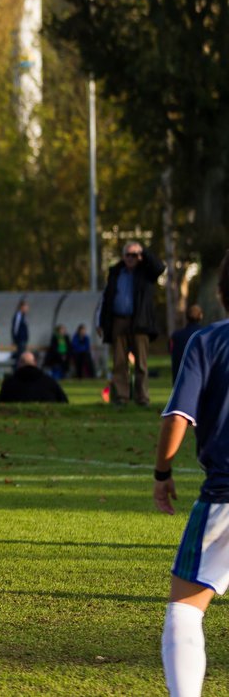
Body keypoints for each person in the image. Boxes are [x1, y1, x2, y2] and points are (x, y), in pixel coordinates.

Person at [153, 252, 229, 696]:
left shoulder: (207, 342)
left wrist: (162, 471)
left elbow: (177, 417)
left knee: (184, 612)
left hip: (224, 497)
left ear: (221, 292)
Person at [99, 241, 166, 406]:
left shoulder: (146, 273)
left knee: (141, 363)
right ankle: (121, 397)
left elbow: (159, 267)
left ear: (140, 256)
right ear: (123, 256)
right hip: (118, 320)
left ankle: (142, 397)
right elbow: (107, 298)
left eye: (134, 255)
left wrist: (144, 252)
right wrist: (102, 322)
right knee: (119, 362)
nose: (131, 258)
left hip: (139, 322)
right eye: (128, 254)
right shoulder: (116, 273)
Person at [0, 352, 68, 403]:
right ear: (35, 363)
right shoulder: (49, 382)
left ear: (19, 364)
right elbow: (64, 401)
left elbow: (0, 403)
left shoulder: (9, 384)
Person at [171, 304, 205, 380]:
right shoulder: (205, 335)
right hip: (198, 378)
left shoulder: (176, 336)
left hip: (178, 378)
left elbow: (171, 351)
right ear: (200, 316)